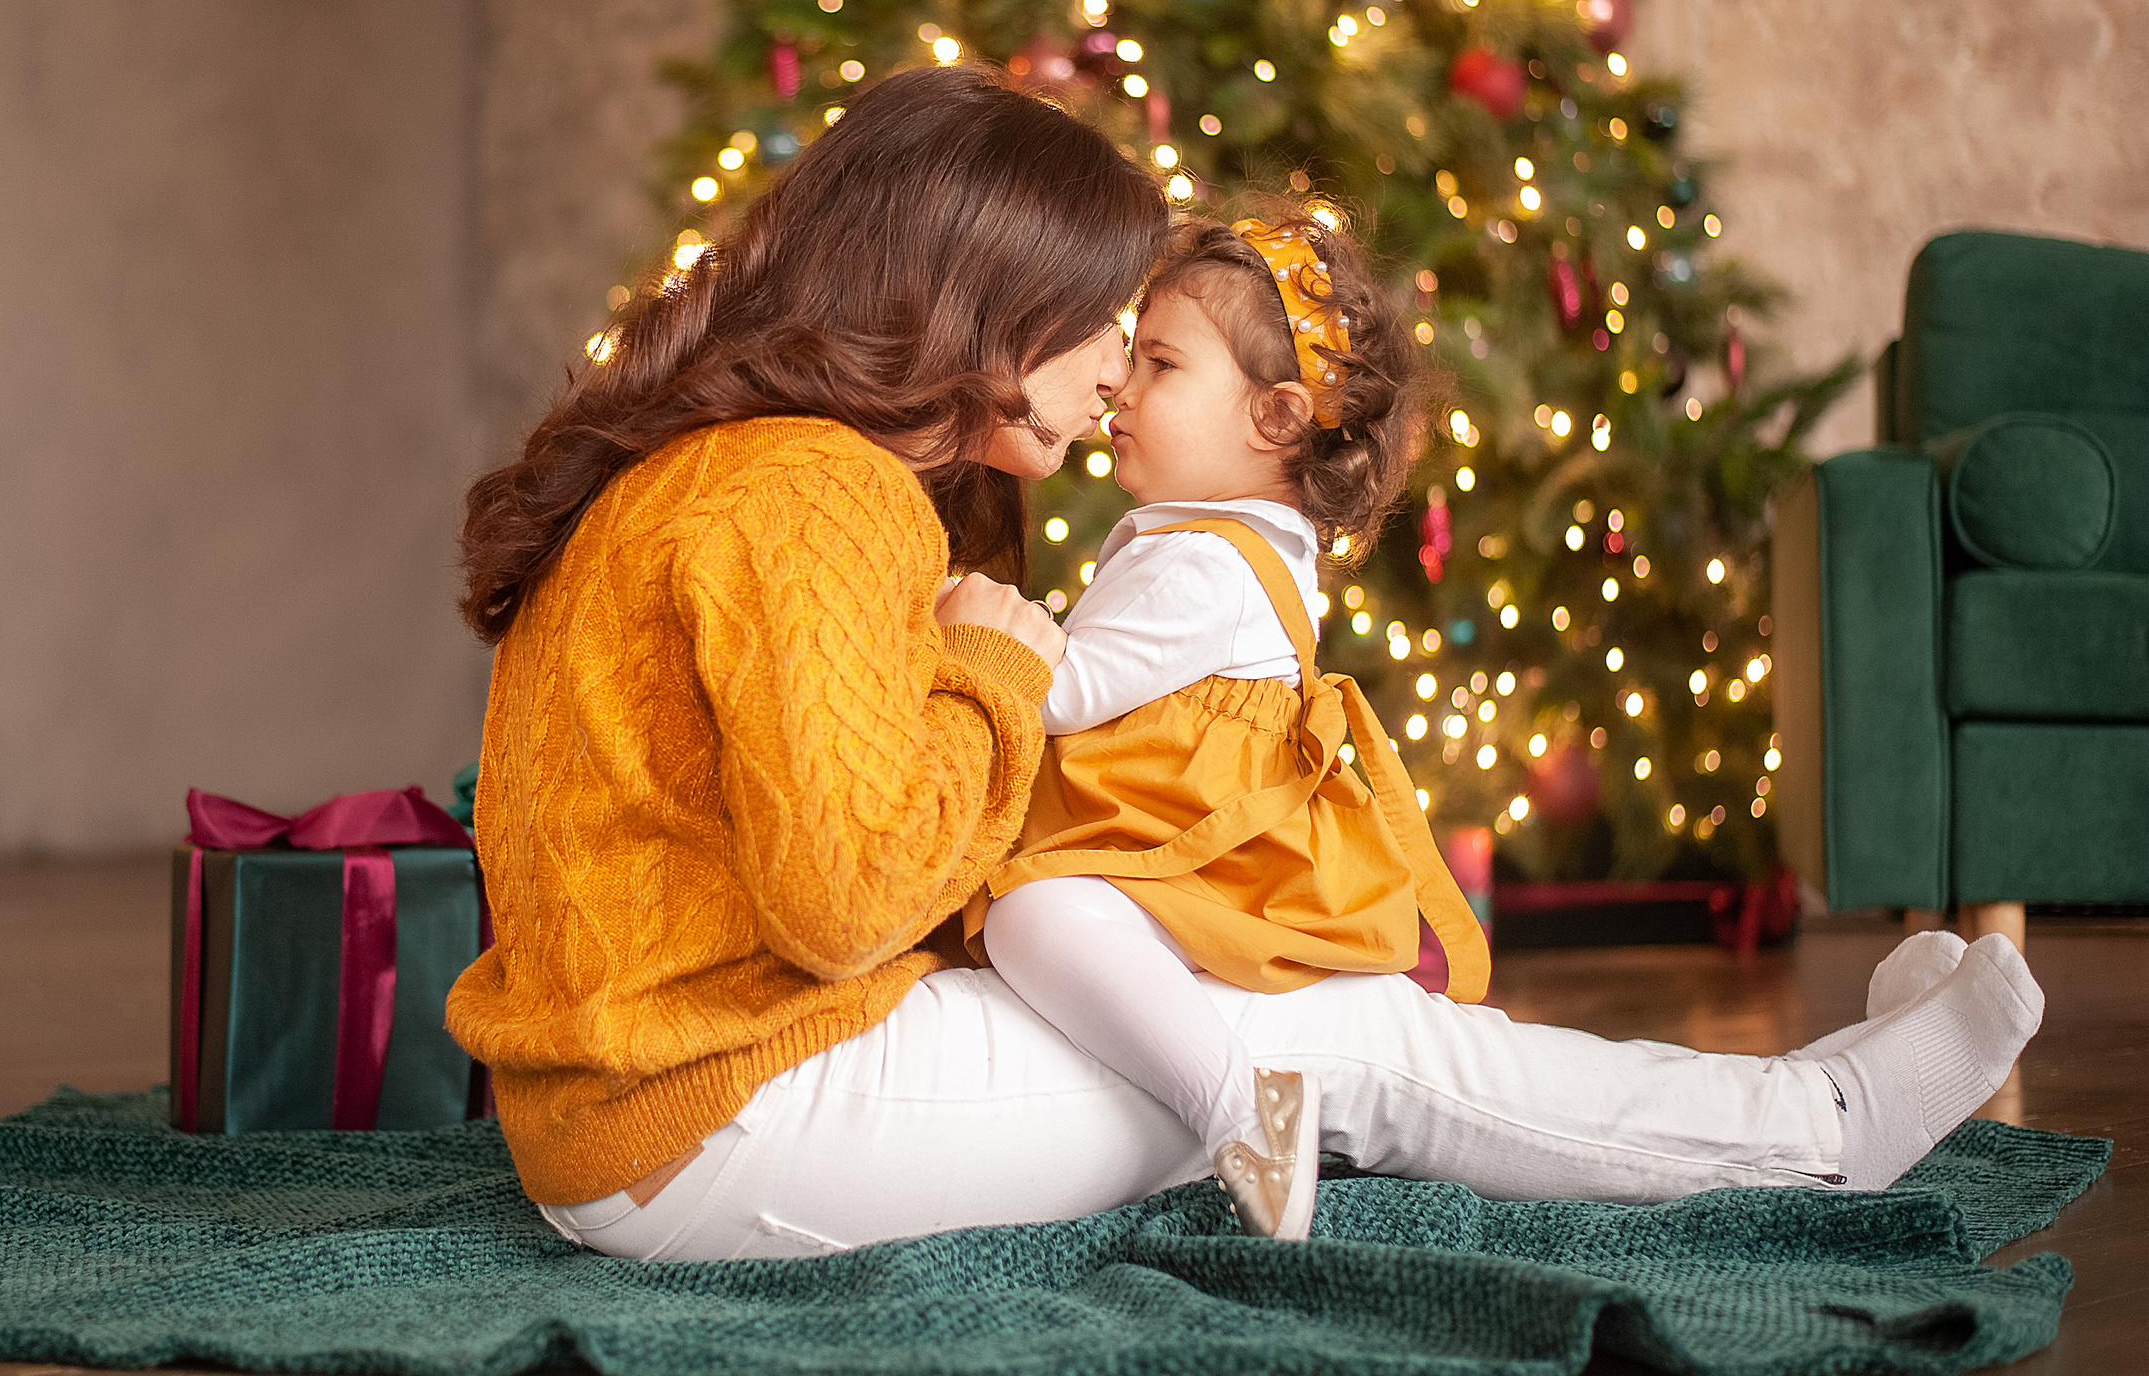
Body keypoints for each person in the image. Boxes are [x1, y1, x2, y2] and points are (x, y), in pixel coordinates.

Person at [447, 66, 2043, 1264]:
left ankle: (1796, 1098)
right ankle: (1826, 1130)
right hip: (722, 1124)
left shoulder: (744, 470)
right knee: (1350, 1040)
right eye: (1098, 331)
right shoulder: (814, 493)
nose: (1104, 384)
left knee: (1275, 1019)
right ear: (982, 300)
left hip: (641, 1115)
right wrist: (997, 674)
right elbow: (846, 896)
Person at [963, 211, 2042, 1243]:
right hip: (1189, 859)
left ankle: (1247, 1115)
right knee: (1438, 1057)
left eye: (1161, 363)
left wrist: (968, 627)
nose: (1119, 384)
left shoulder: (1198, 556)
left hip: (1193, 864)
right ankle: (1830, 1101)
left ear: (1276, 418)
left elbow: (1058, 694)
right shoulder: (1218, 537)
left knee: (1037, 913)